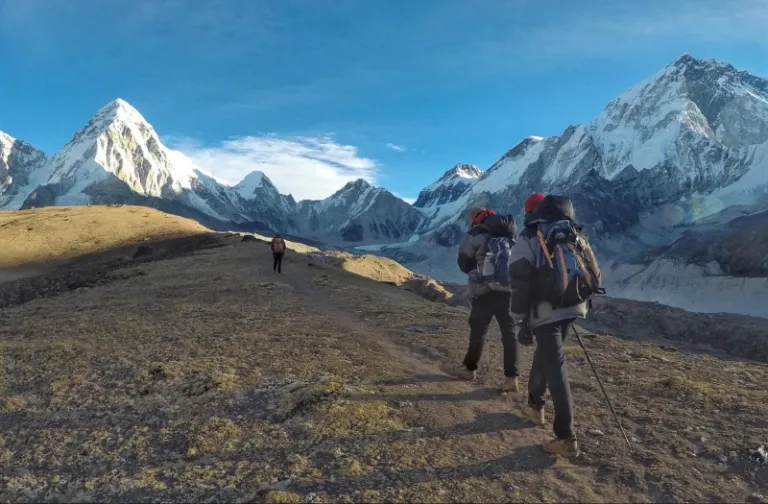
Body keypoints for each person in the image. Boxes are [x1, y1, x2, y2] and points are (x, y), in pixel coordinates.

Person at [509, 194, 597, 458]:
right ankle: (535, 406)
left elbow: (519, 281)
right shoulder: (573, 231)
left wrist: (519, 317)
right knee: (546, 356)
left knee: (555, 365)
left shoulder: (529, 236)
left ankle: (566, 437)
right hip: (574, 304)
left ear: (530, 212)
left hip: (546, 311)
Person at [455, 206, 520, 393]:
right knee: (509, 333)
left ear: (475, 218)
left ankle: (469, 369)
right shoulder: (510, 232)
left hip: (484, 290)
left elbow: (463, 262)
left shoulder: (475, 234)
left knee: (479, 330)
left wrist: (478, 270)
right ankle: (512, 379)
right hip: (508, 290)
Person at [516, 193, 546, 347]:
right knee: (551, 350)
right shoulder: (569, 230)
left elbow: (519, 277)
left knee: (549, 351)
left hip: (545, 305)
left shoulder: (528, 235)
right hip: (574, 300)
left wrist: (521, 317)